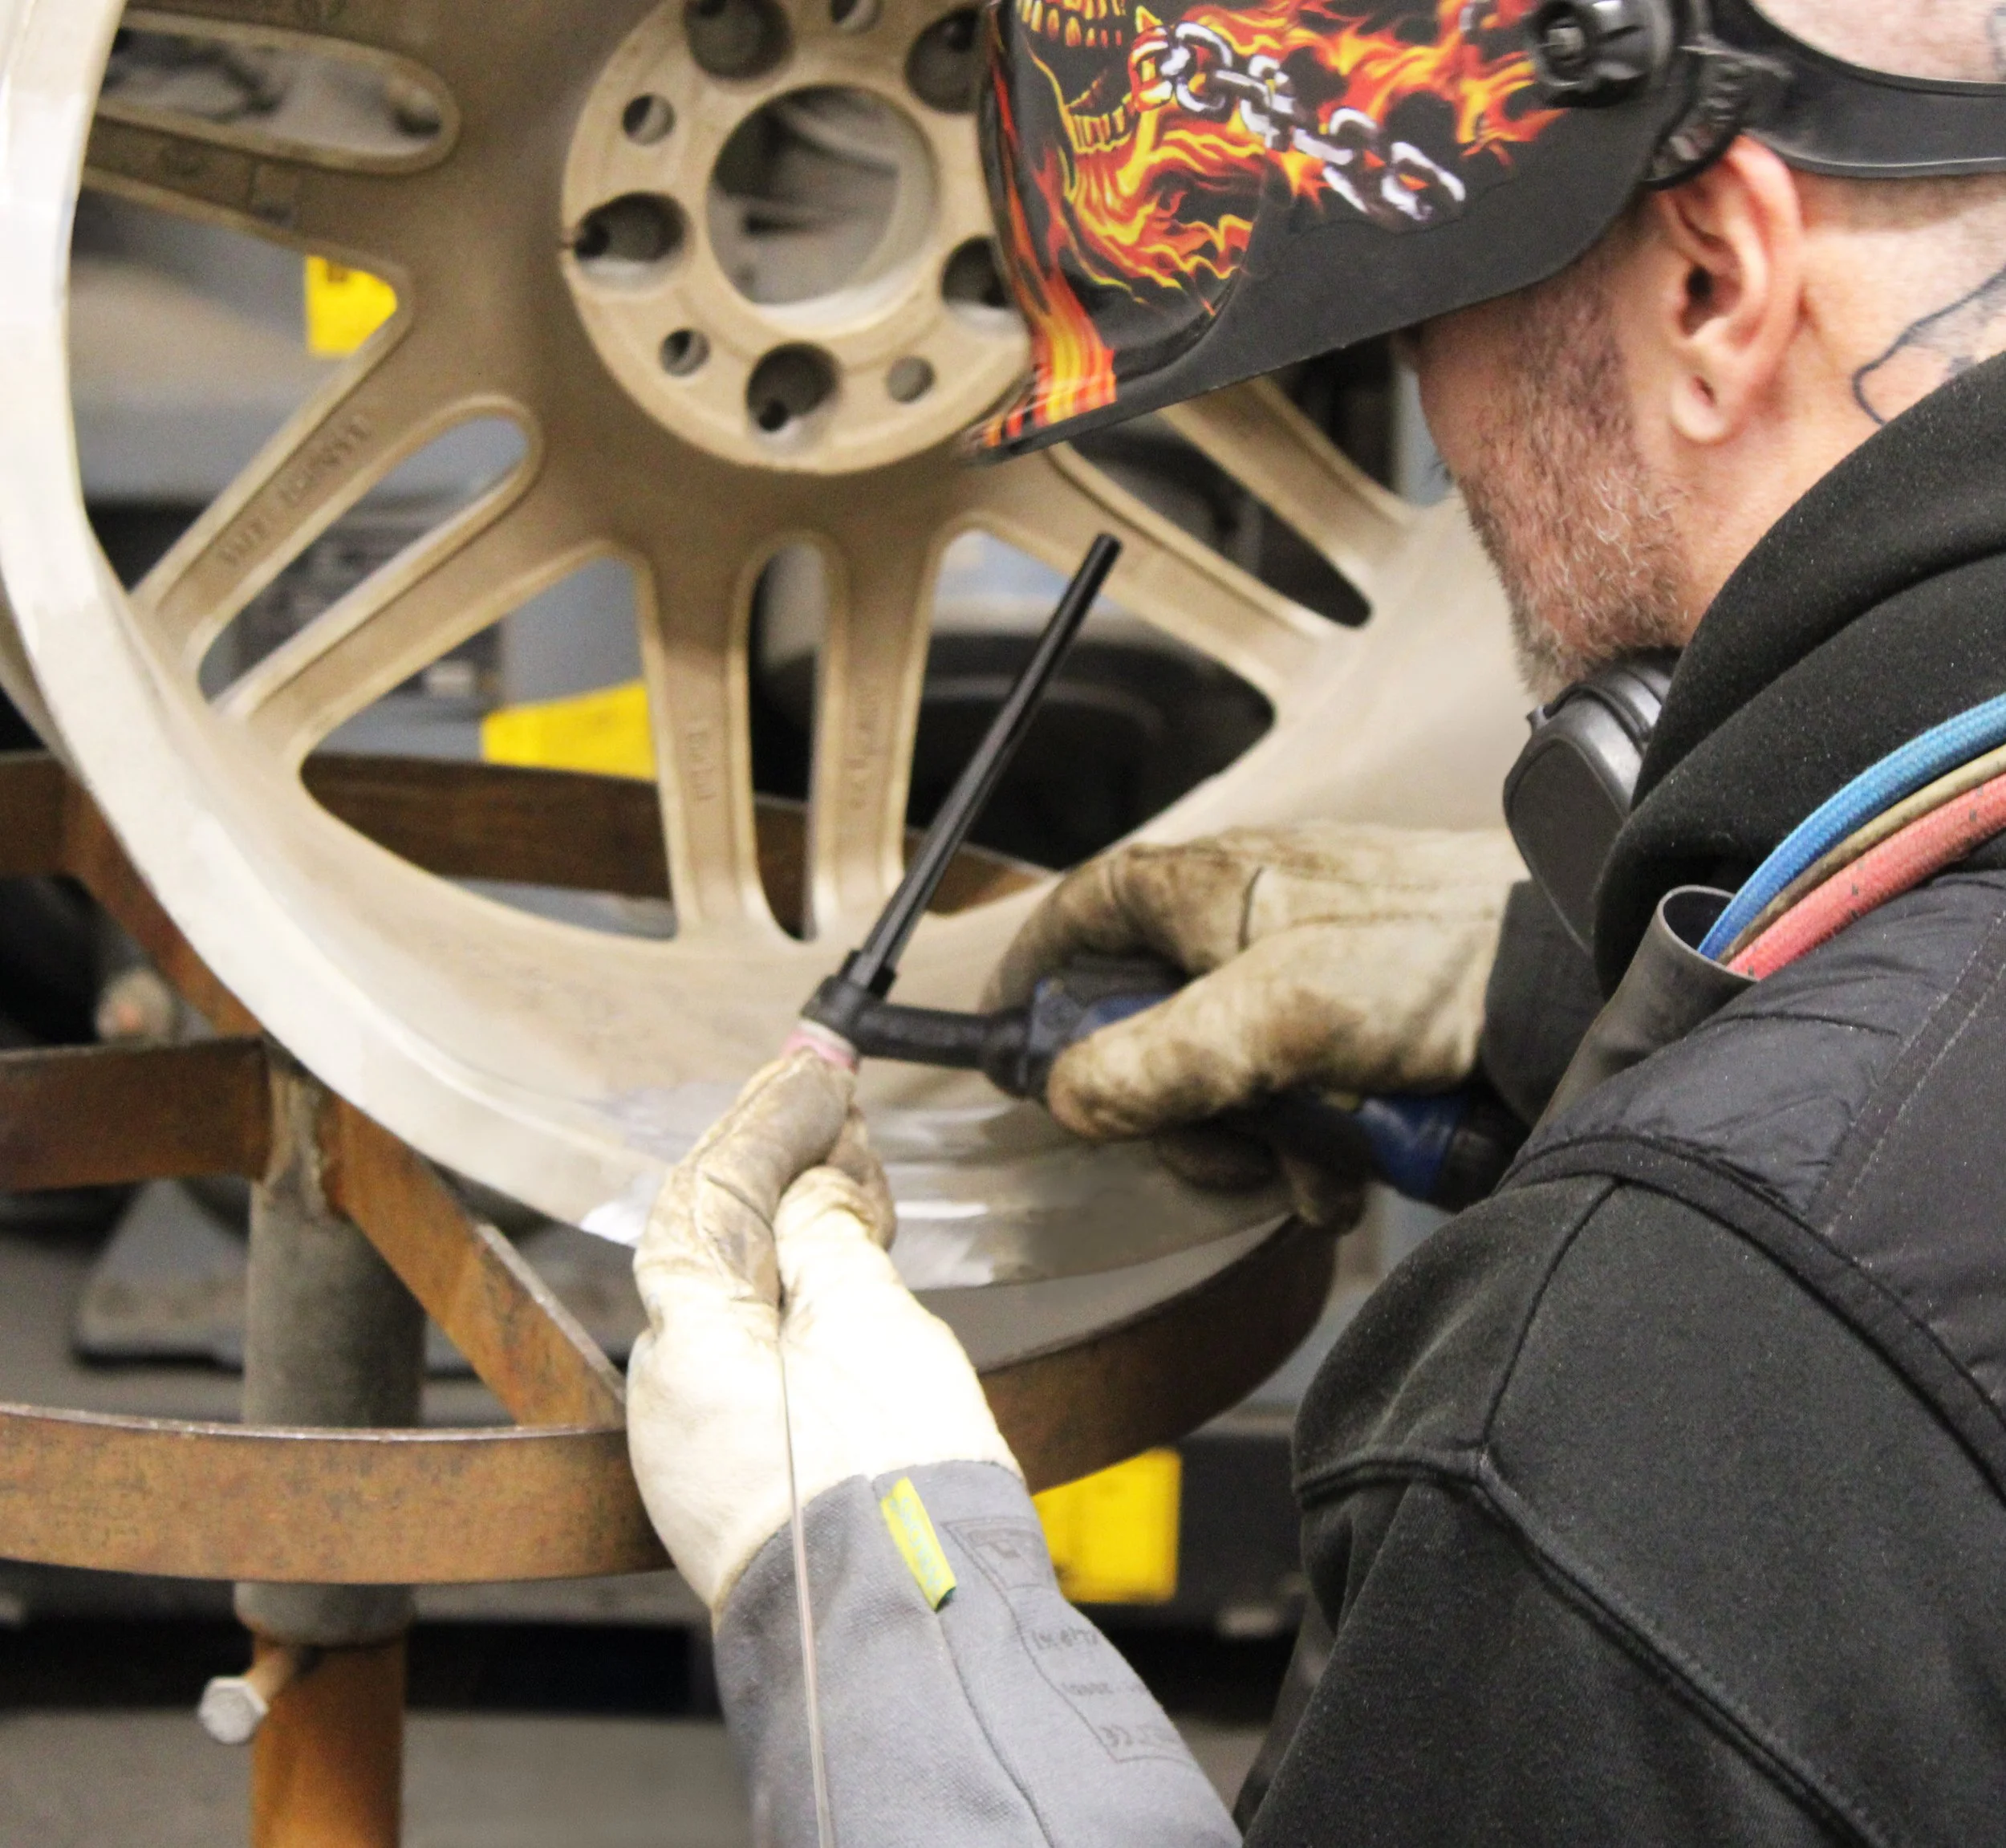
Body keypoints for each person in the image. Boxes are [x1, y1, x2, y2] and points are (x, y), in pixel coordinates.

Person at [627, 3, 2006, 1839]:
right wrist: (1567, 1005)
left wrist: (885, 1612)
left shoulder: (1645, 1409)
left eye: (1428, 312)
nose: (1439, 422)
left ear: (1708, 287)